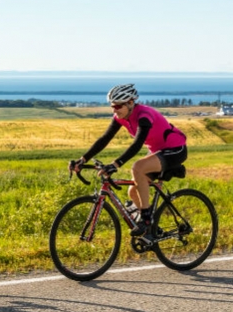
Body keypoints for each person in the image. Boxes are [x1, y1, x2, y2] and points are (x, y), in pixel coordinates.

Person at [71, 83, 187, 236]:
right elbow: (105, 139)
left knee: (137, 167)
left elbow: (137, 144)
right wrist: (83, 159)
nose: (114, 110)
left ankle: (145, 219)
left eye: (118, 106)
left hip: (175, 149)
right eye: (113, 106)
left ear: (130, 103)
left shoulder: (144, 116)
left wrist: (116, 164)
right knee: (133, 191)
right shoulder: (120, 117)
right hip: (158, 151)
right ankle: (152, 228)